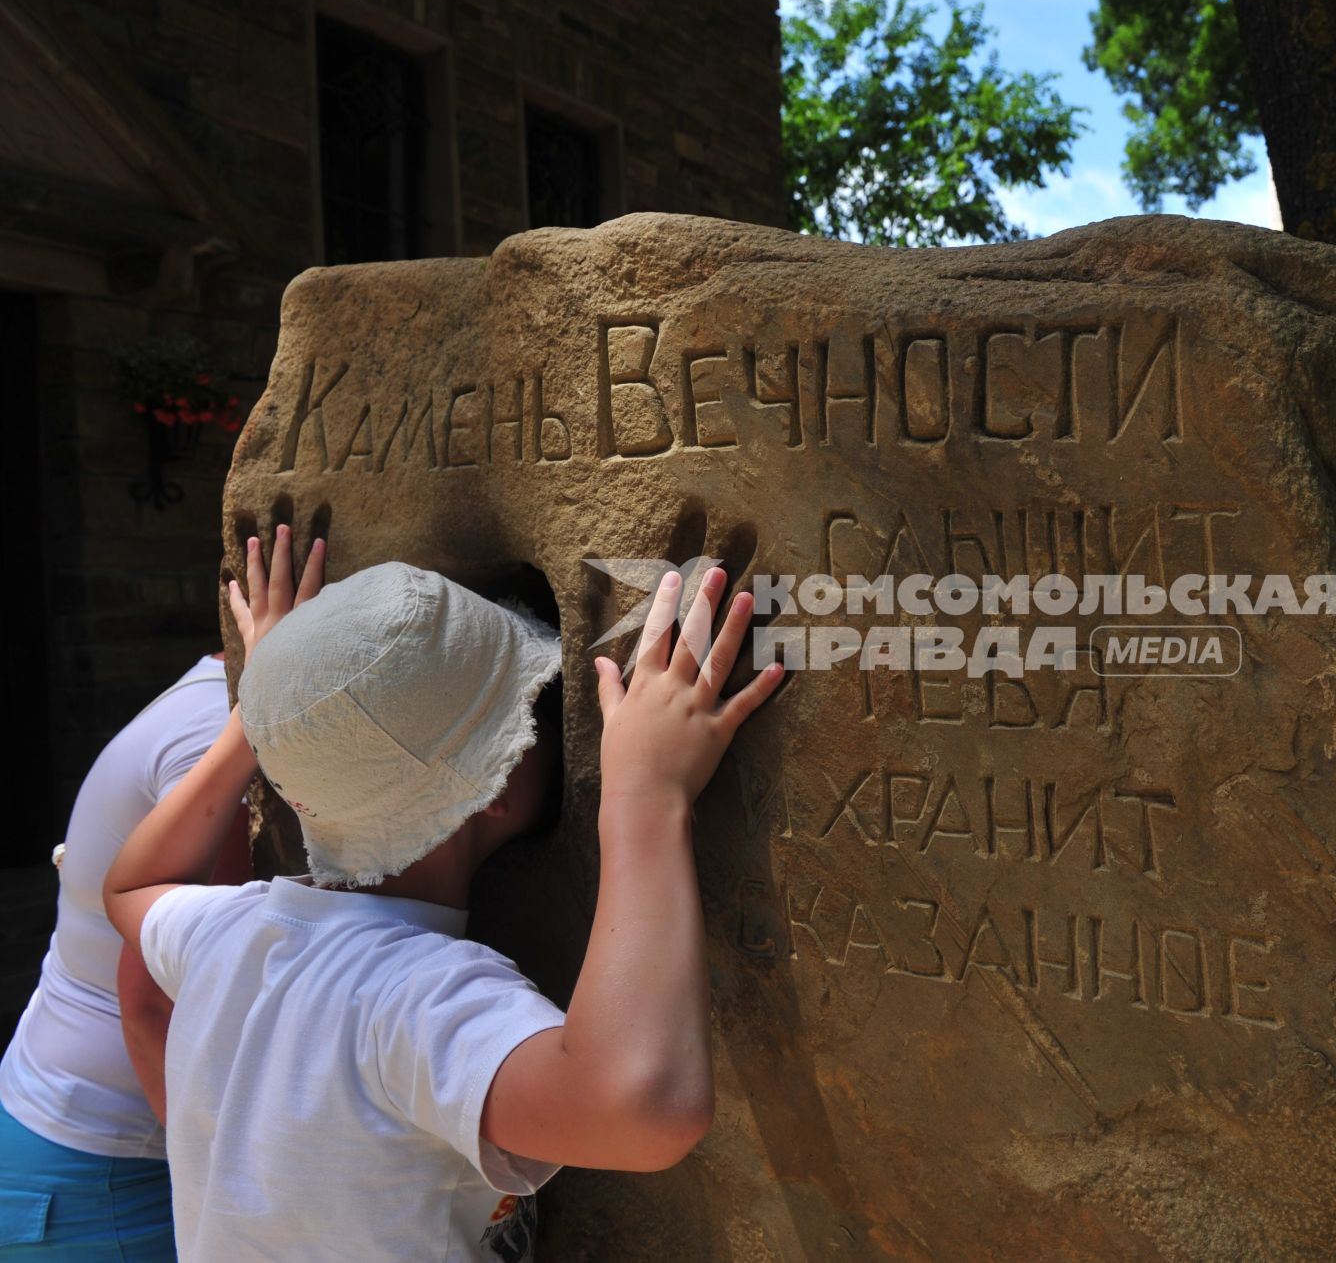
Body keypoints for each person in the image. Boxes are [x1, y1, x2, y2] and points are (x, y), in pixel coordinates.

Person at [103, 525, 782, 1262]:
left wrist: (277, 710)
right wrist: (644, 798)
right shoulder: (415, 998)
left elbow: (132, 884)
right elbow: (641, 1112)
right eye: (531, 709)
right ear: (492, 784)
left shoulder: (225, 933)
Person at [0, 621, 257, 1259]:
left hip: (81, 1147)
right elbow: (160, 1001)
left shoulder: (211, 703)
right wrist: (238, 1202)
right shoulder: (218, 732)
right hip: (102, 1173)